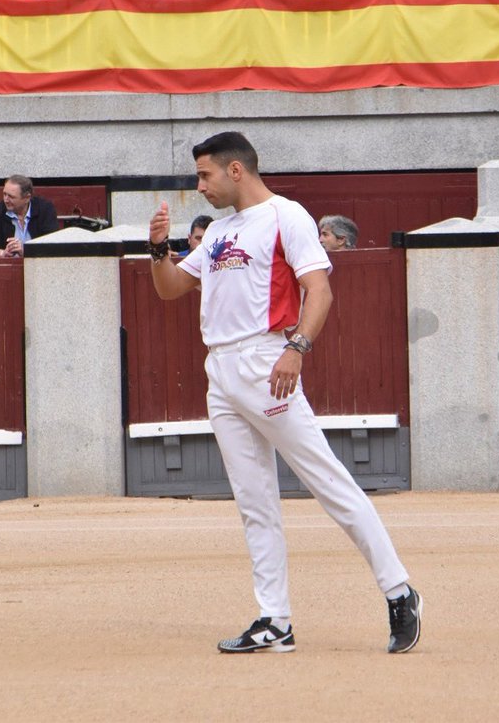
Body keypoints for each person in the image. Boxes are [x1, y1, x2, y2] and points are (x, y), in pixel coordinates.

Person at [146, 132, 421, 655]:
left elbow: (320, 290)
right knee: (254, 501)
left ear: (235, 170)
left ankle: (399, 590)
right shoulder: (218, 232)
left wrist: (296, 348)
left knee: (326, 480)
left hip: (265, 360)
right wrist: (158, 247)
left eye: (204, 175)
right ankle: (275, 619)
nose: (199, 186)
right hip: (220, 370)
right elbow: (169, 288)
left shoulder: (286, 216)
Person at [0, 175, 59, 258]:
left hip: (39, 266)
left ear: (27, 198)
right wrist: (2, 253)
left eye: (11, 197)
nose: (6, 200)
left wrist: (26, 251)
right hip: (9, 267)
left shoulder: (44, 209)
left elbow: (54, 246)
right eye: (4, 194)